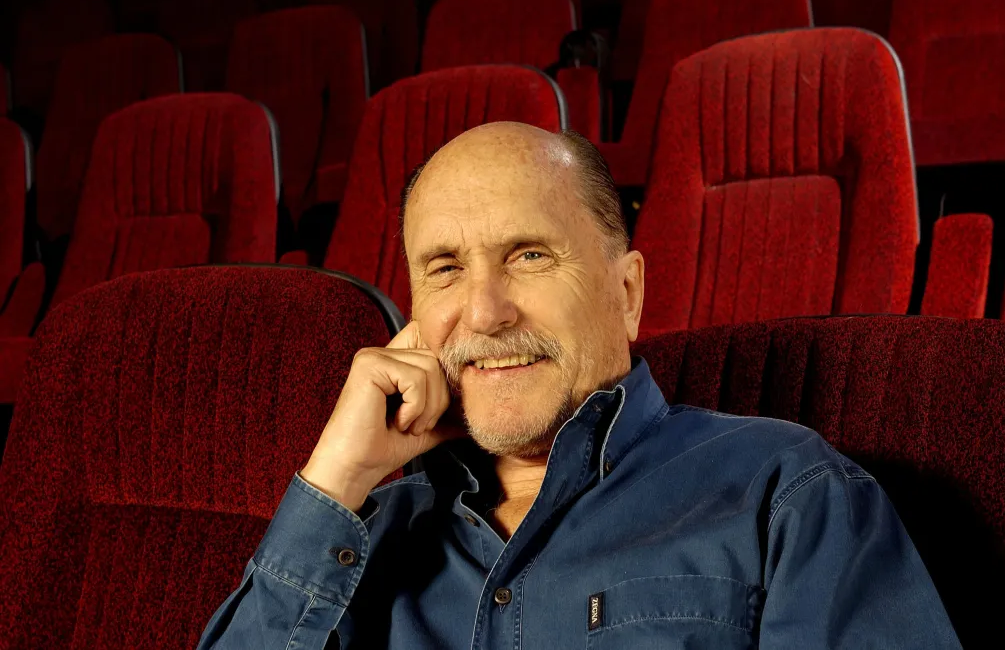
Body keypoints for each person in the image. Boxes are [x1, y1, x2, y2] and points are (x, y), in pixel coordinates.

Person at [198, 122, 961, 649]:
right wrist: (334, 480)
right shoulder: (359, 537)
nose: (485, 313)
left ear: (626, 293)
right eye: (445, 268)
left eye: (529, 255)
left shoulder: (787, 493)